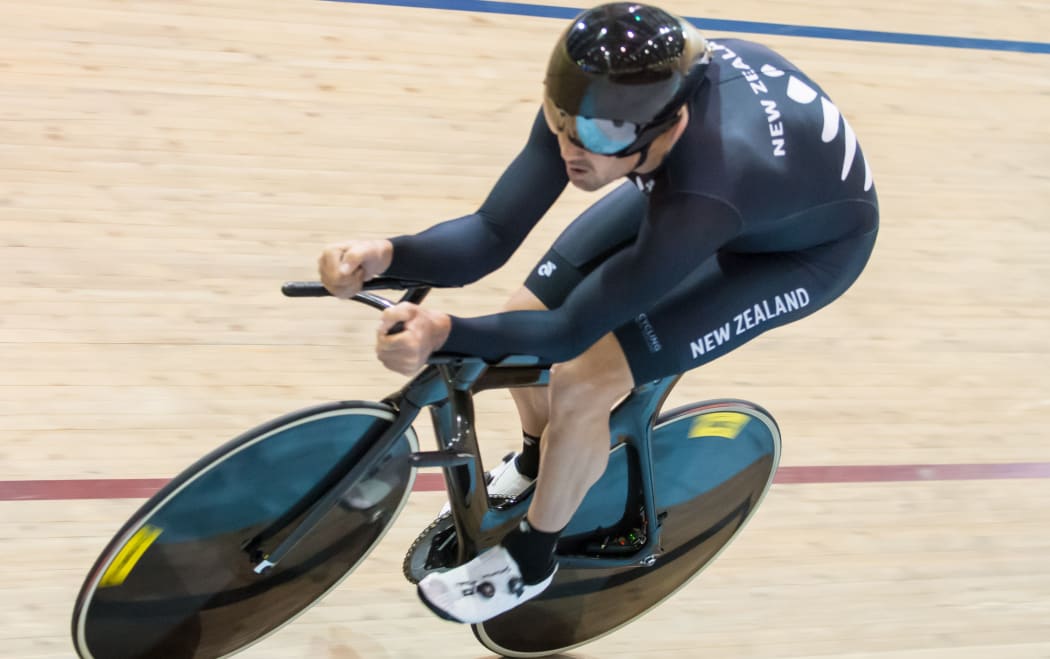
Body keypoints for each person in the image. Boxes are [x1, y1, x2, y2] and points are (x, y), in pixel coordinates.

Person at [318, 2, 878, 623]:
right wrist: (386, 253)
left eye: (601, 137)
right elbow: (490, 234)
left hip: (803, 252)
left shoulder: (706, 185)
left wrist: (443, 333)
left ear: (669, 127)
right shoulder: (597, 103)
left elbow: (569, 334)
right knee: (519, 312)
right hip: (725, 185)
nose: (573, 150)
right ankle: (538, 458)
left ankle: (532, 560)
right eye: (561, 123)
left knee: (583, 380)